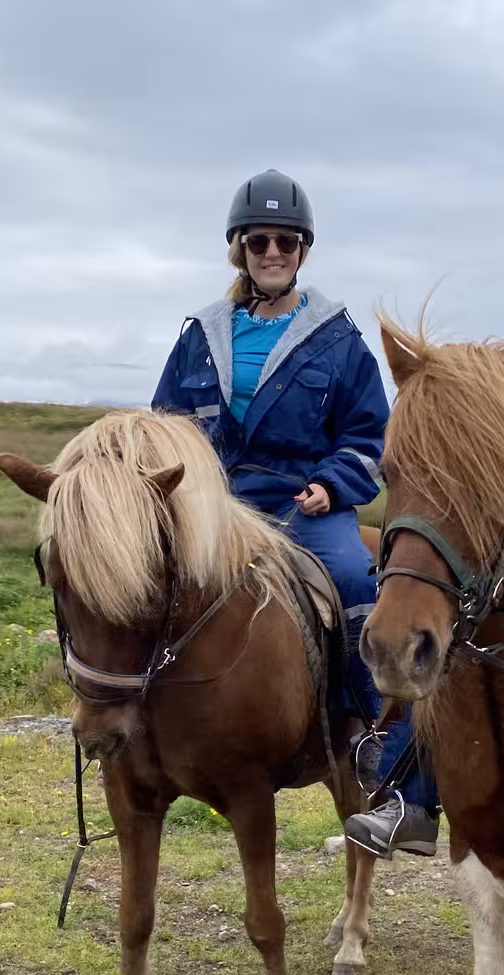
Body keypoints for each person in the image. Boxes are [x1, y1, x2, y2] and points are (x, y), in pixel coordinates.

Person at [153, 169, 440, 852]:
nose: (272, 252)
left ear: (302, 250)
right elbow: (165, 422)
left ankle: (379, 742)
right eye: (260, 242)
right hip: (218, 505)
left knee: (349, 576)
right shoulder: (202, 333)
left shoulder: (337, 340)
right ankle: (129, 716)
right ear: (241, 250)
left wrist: (334, 484)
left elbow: (371, 435)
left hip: (303, 503)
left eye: (286, 241)